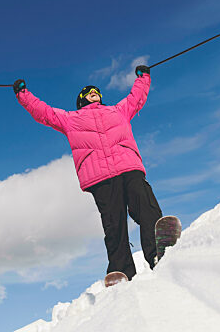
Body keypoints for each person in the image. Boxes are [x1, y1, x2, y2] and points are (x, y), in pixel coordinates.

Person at [13, 65, 163, 281]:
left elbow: (136, 98)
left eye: (96, 91)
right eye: (89, 91)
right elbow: (43, 113)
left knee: (145, 205)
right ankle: (121, 271)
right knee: (114, 224)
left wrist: (143, 78)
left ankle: (158, 252)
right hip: (100, 177)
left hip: (128, 167)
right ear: (82, 99)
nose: (94, 92)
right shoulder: (70, 119)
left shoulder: (118, 111)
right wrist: (23, 95)